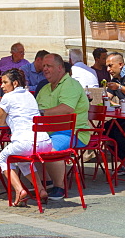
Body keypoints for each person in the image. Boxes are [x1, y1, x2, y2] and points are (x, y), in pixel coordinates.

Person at [36, 53, 91, 201]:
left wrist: (42, 113)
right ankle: (46, 181)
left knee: (50, 149)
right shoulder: (45, 88)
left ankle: (59, 187)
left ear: (60, 68)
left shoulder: (70, 84)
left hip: (72, 132)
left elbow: (67, 108)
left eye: (49, 66)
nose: (45, 69)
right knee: (28, 145)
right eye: (44, 66)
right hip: (48, 131)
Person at [0, 68, 52, 206]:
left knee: (3, 157)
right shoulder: (29, 94)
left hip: (27, 142)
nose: (2, 86)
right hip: (45, 141)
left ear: (14, 83)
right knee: (22, 159)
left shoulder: (8, 97)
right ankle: (40, 190)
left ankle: (20, 190)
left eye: (5, 82)